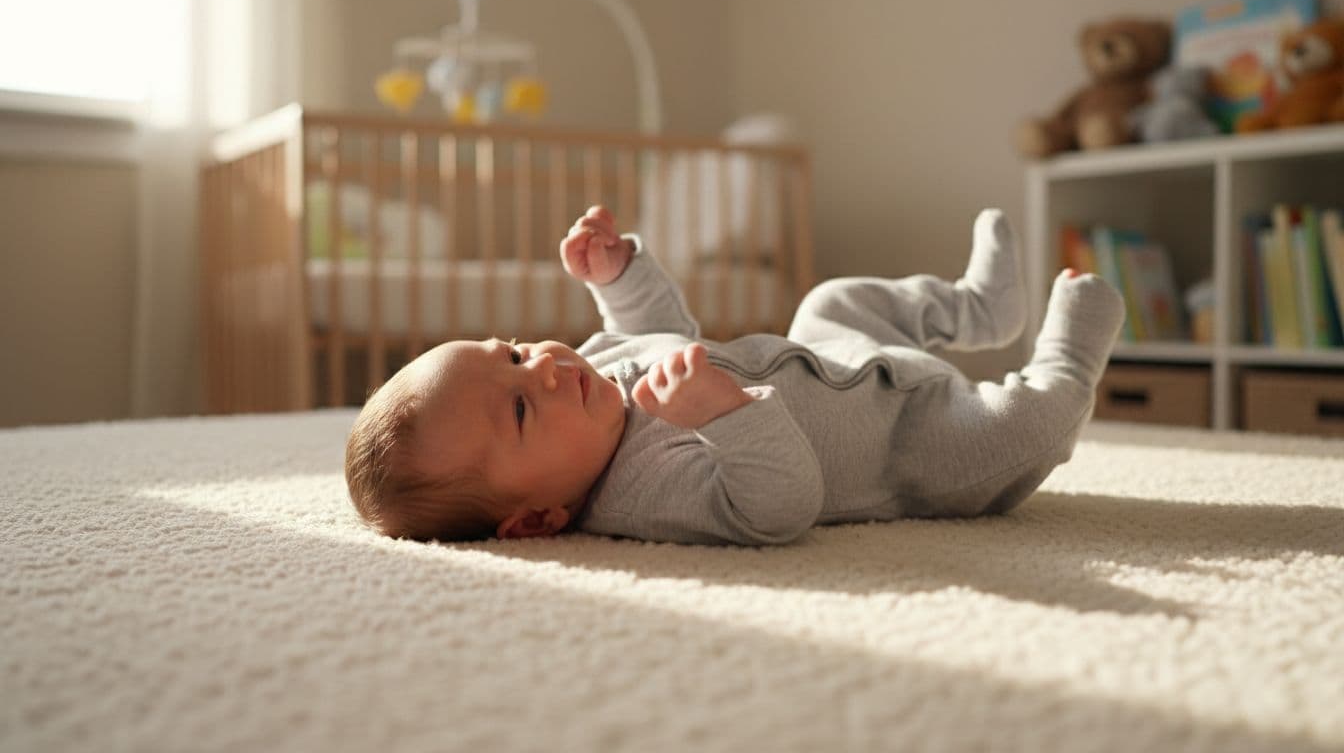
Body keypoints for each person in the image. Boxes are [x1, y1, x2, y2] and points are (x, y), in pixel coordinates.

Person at [345, 205, 1124, 545]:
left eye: (513, 353)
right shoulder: (644, 494)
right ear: (538, 520)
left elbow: (655, 332)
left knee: (830, 298)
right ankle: (1068, 354)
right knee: (1024, 432)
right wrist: (723, 414)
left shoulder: (592, 380)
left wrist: (619, 277)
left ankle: (975, 310)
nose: (543, 372)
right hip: (908, 446)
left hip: (833, 356)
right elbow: (779, 508)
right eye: (518, 411)